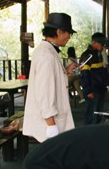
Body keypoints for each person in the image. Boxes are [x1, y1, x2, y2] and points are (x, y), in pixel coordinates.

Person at [22, 12, 76, 142]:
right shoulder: (46, 56)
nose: (69, 37)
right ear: (59, 31)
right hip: (49, 123)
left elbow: (50, 78)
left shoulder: (47, 51)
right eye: (69, 33)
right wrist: (51, 124)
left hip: (52, 119)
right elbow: (44, 91)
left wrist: (64, 72)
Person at [80, 32, 109, 124]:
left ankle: (95, 135)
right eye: (102, 44)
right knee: (91, 116)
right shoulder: (87, 55)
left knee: (98, 115)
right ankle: (87, 136)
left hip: (99, 89)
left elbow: (102, 72)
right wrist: (88, 91)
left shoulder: (98, 54)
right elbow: (84, 74)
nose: (104, 46)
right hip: (92, 91)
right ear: (94, 43)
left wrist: (105, 88)